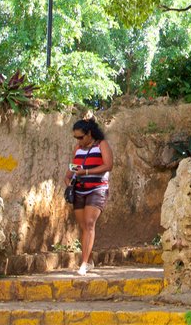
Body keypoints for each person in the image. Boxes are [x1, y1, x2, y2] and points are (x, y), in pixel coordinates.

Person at [64, 117, 113, 276]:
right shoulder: (77, 148)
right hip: (79, 189)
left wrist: (86, 172)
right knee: (84, 226)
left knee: (90, 223)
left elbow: (108, 165)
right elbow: (72, 168)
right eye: (76, 138)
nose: (78, 140)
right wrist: (68, 178)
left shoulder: (101, 145)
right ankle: (90, 260)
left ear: (89, 133)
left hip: (97, 188)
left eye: (81, 137)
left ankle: (83, 264)